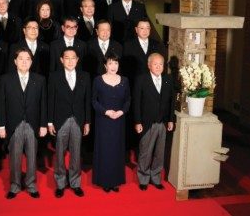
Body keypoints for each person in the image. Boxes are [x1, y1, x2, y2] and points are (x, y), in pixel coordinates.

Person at [0, 48, 48, 199]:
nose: (24, 62)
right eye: (21, 59)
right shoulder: (5, 79)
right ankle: (15, 185)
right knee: (15, 157)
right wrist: (1, 125)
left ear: (31, 62)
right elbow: (1, 103)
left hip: (33, 124)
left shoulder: (40, 80)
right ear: (15, 61)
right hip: (14, 124)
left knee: (32, 157)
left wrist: (43, 125)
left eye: (27, 59)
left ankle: (31, 185)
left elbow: (43, 103)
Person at [48, 47, 90, 198]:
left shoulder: (85, 76)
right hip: (60, 120)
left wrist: (87, 122)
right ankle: (60, 183)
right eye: (67, 58)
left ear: (77, 60)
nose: (70, 61)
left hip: (78, 120)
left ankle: (75, 183)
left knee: (76, 153)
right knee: (59, 153)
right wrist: (50, 122)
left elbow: (87, 101)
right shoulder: (54, 76)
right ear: (61, 60)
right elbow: (50, 99)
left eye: (73, 58)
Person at [133, 53, 175, 191]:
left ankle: (156, 177)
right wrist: (138, 121)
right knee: (145, 152)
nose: (158, 67)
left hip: (162, 122)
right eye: (155, 64)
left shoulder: (168, 79)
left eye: (161, 64)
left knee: (159, 152)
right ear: (149, 65)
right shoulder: (141, 79)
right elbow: (136, 102)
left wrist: (170, 120)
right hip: (146, 122)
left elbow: (171, 102)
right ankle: (143, 178)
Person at [91, 52, 130, 192]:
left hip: (119, 121)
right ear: (105, 65)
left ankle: (115, 181)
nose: (113, 66)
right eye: (110, 63)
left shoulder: (125, 80)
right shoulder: (97, 80)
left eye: (116, 63)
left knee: (116, 150)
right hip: (103, 121)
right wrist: (106, 112)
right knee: (105, 150)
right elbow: (94, 101)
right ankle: (104, 181)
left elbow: (128, 100)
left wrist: (121, 112)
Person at [122, 18, 165, 84]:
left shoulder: (157, 45)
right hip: (134, 83)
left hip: (152, 83)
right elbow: (125, 69)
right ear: (136, 29)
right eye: (142, 28)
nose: (145, 31)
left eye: (147, 28)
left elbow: (161, 65)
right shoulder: (128, 45)